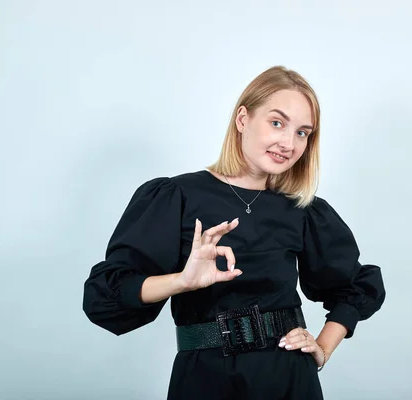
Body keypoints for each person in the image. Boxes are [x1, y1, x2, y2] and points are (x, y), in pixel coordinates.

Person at [82, 65, 386, 399]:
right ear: (243, 119)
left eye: (302, 132)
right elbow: (104, 294)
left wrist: (323, 347)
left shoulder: (304, 210)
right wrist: (181, 281)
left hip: (287, 379)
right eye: (277, 123)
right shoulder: (177, 197)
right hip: (205, 379)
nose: (288, 142)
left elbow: (355, 288)